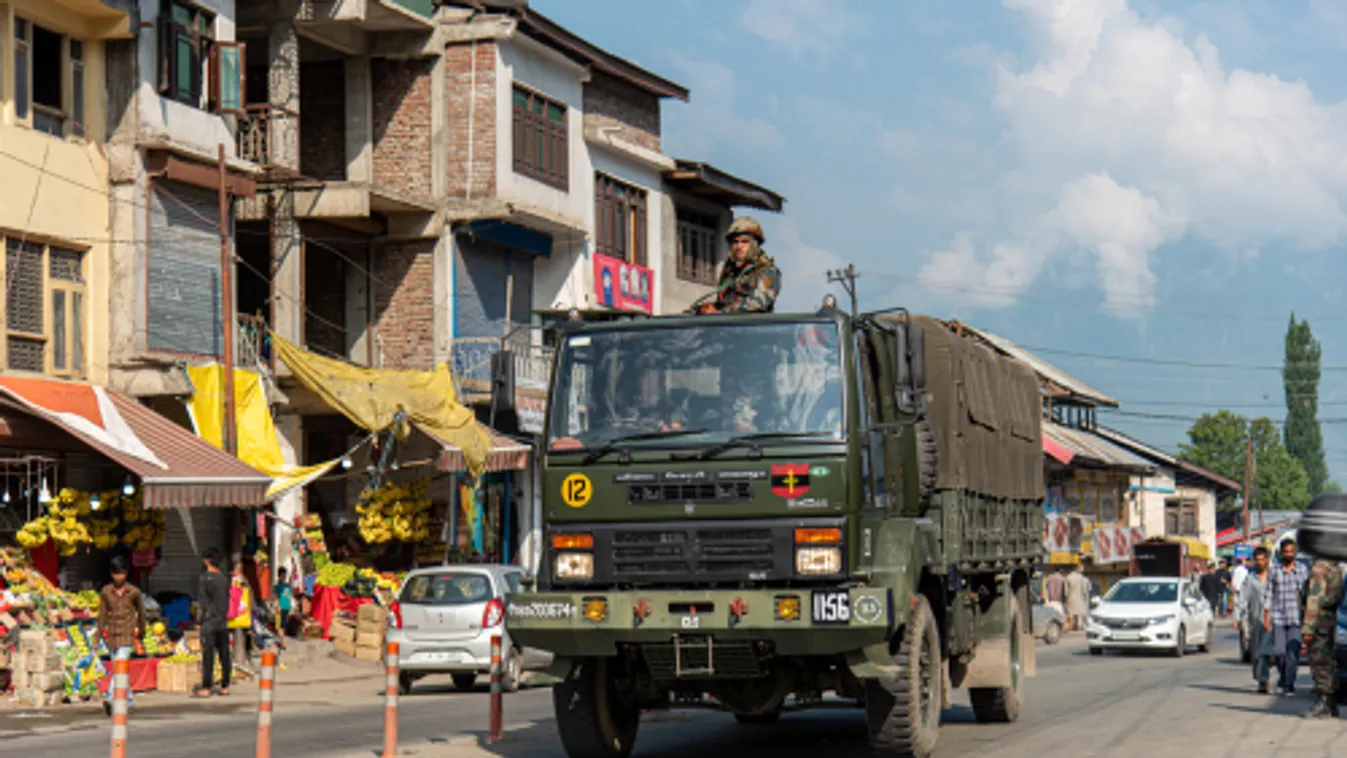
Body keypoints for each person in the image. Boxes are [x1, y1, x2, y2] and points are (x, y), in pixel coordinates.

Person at [688, 216, 781, 315]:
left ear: (754, 244)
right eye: (735, 242)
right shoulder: (731, 273)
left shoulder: (767, 272)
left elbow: (757, 303)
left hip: (753, 328)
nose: (739, 246)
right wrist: (704, 309)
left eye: (744, 241)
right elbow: (723, 303)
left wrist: (720, 312)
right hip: (728, 327)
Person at [1263, 538, 1310, 697]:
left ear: (1295, 552)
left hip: (1296, 619)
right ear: (1281, 553)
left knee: (1293, 654)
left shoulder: (1302, 569)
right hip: (1279, 617)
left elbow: (1307, 595)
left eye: (1291, 551)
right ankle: (1284, 677)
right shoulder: (1274, 570)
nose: (1289, 554)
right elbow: (1269, 594)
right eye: (1286, 552)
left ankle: (1288, 685)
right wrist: (1266, 616)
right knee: (1278, 652)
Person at [98, 556, 146, 708]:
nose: (119, 577)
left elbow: (141, 613)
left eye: (122, 573)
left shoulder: (134, 592)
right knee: (119, 670)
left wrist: (142, 631)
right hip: (112, 635)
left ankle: (112, 698)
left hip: (127, 634)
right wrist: (97, 636)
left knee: (120, 666)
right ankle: (130, 700)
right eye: (116, 573)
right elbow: (102, 615)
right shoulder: (106, 592)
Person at [1300, 553, 1343, 718]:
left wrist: (1308, 628)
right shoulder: (1336, 566)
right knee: (1329, 661)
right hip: (1330, 620)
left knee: (1319, 661)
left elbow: (1314, 600)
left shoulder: (1320, 567)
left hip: (1319, 621)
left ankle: (1323, 702)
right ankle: (1331, 704)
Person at [193, 548, 232, 698]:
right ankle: (225, 686)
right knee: (224, 654)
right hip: (222, 621)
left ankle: (207, 686)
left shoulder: (205, 578)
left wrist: (199, 621)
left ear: (207, 560)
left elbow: (202, 602)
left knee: (208, 655)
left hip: (209, 622)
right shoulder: (223, 578)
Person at [1240, 547, 1273, 693]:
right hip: (1255, 620)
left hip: (1273, 620)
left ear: (1267, 560)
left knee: (1266, 652)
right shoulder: (1250, 578)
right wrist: (1238, 617)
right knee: (1255, 653)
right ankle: (1260, 678)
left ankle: (1264, 678)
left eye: (1262, 560)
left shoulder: (1274, 577)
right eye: (1257, 560)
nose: (1260, 563)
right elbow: (1242, 599)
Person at [1063, 563, 1090, 633]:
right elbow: (1084, 589)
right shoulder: (1081, 578)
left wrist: (1066, 600)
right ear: (1076, 569)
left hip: (1070, 598)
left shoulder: (1067, 577)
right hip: (1080, 598)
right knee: (1079, 612)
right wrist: (1084, 597)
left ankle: (1071, 626)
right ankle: (1079, 625)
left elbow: (1066, 591)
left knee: (1071, 613)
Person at [275, 567, 294, 637]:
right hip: (280, 607)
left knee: (284, 625)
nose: (284, 577)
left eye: (285, 575)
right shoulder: (277, 586)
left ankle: (282, 638)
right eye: (282, 575)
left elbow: (289, 595)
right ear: (279, 576)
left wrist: (291, 606)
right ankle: (283, 641)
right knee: (279, 626)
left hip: (287, 607)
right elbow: (276, 597)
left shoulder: (287, 586)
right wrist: (277, 606)